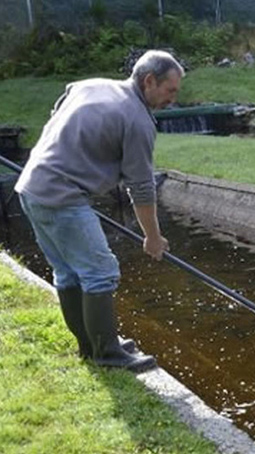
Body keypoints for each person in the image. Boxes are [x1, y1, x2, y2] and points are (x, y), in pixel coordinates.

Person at [14, 50, 184, 372]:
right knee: (100, 272)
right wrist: (152, 238)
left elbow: (59, 111)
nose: (173, 99)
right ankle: (107, 353)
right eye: (170, 90)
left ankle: (90, 345)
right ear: (149, 81)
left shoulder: (89, 85)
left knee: (68, 272)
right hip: (61, 197)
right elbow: (142, 188)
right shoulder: (138, 121)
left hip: (31, 187)